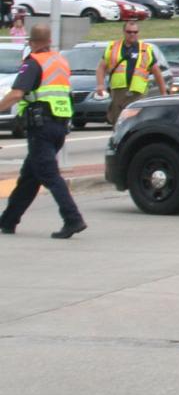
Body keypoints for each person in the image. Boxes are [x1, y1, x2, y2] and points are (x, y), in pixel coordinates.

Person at [0, 23, 86, 238]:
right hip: (59, 126)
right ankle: (8, 220)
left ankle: (72, 219)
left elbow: (17, 94)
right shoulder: (60, 61)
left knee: (49, 175)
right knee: (30, 177)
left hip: (41, 128)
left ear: (31, 42)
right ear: (49, 41)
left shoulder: (33, 63)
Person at [95, 21, 169, 125]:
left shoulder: (145, 49)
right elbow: (101, 68)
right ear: (124, 32)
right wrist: (100, 85)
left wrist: (163, 93)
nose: (132, 34)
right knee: (118, 120)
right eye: (129, 32)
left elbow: (157, 72)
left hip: (138, 92)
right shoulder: (113, 47)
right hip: (118, 91)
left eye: (135, 32)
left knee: (136, 121)